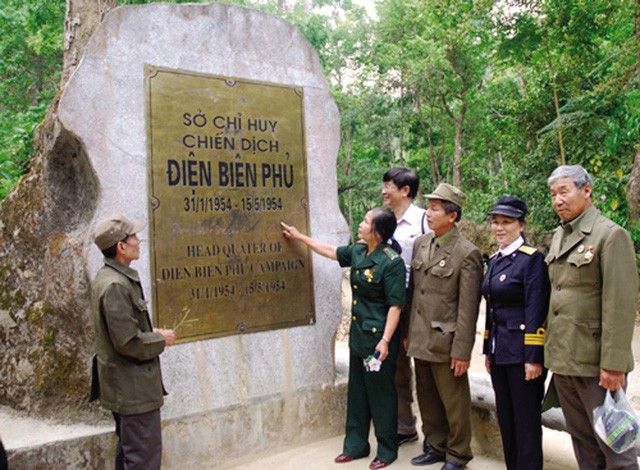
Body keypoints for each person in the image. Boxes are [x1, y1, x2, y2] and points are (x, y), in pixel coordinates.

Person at [281, 207, 406, 470]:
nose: (360, 225)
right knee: (358, 393)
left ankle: (386, 449)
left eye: (365, 221)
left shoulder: (391, 261)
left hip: (379, 340)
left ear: (378, 231)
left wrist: (385, 341)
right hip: (359, 336)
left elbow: (395, 306)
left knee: (381, 395)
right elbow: (329, 251)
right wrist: (299, 237)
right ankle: (356, 445)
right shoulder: (359, 251)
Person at [545, 165, 639, 469]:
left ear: (587, 191)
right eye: (553, 194)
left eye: (564, 191)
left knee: (616, 445)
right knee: (584, 443)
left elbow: (620, 305)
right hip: (565, 359)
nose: (557, 200)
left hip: (596, 361)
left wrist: (613, 364)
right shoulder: (560, 235)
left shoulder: (610, 235)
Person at [406, 183, 483, 470]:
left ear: (452, 216)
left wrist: (461, 351)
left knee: (454, 402)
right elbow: (413, 292)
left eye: (435, 208)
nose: (428, 212)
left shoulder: (467, 253)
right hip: (419, 336)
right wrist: (406, 333)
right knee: (426, 397)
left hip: (446, 340)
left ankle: (458, 454)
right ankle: (436, 446)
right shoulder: (421, 243)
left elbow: (468, 308)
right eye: (429, 206)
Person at [90, 213, 176, 470]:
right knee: (143, 459)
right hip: (133, 389)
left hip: (126, 386)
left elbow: (124, 328)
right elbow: (128, 343)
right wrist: (159, 339)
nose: (139, 241)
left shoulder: (111, 277)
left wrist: (150, 331)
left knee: (129, 454)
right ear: (121, 246)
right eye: (134, 237)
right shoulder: (116, 285)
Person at [482, 196, 550, 470]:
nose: (499, 228)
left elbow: (536, 309)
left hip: (522, 354)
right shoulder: (497, 259)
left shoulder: (531, 260)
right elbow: (491, 311)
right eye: (495, 222)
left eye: (506, 222)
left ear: (521, 225)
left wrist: (533, 357)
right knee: (507, 422)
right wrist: (488, 350)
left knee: (526, 425)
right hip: (500, 352)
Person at [381, 167, 429, 447]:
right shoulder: (383, 220)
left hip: (419, 302)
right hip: (391, 302)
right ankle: (405, 426)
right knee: (397, 366)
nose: (384, 191)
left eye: (389, 185)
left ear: (405, 190)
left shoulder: (425, 220)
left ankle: (435, 433)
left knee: (425, 367)